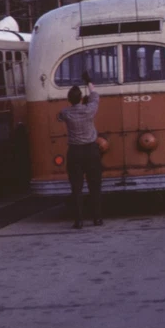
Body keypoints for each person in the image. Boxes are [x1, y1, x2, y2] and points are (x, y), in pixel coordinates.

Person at [57, 71, 103, 229]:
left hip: (75, 152)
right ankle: (97, 218)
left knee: (76, 187)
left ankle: (79, 220)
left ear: (69, 100)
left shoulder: (66, 112)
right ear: (81, 98)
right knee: (94, 185)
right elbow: (95, 93)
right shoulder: (90, 109)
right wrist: (88, 81)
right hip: (91, 151)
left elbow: (59, 117)